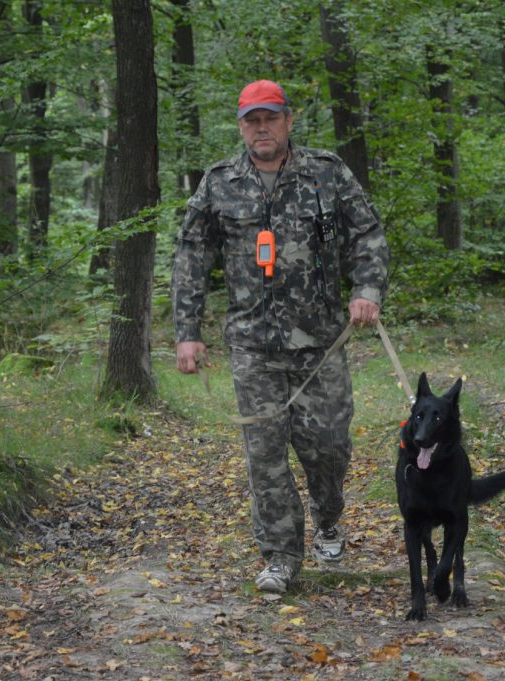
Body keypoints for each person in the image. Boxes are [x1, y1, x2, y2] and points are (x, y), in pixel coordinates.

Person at [171, 79, 389, 593]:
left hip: (320, 343)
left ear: (288, 121)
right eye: (252, 120)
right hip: (252, 346)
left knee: (329, 449)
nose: (261, 128)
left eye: (270, 118)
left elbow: (368, 233)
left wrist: (368, 288)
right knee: (265, 456)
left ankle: (328, 516)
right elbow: (190, 256)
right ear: (242, 125)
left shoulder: (327, 173)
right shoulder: (219, 182)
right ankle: (281, 556)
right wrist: (187, 332)